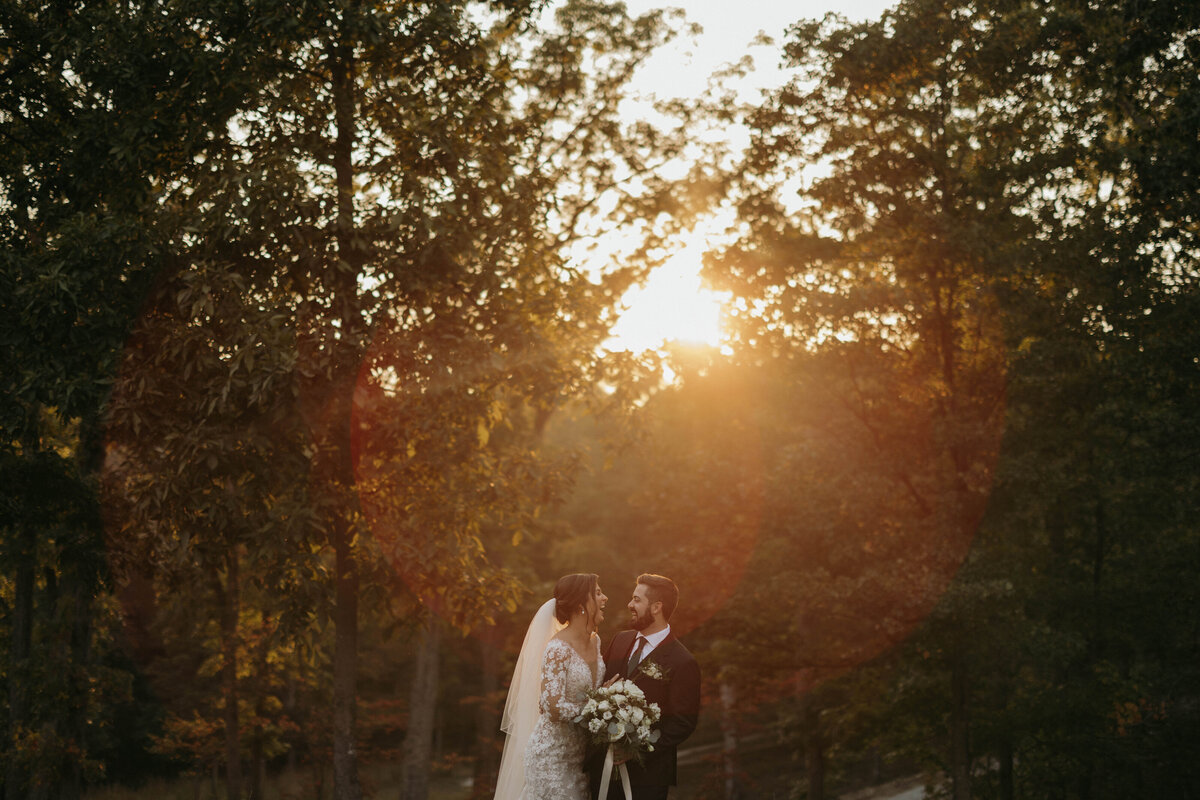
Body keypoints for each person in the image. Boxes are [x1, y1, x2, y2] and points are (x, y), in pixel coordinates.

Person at [494, 574, 609, 800]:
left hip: (580, 757)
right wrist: (598, 708)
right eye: (597, 593)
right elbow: (552, 707)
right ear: (580, 605)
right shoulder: (557, 648)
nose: (605, 598)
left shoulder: (595, 641)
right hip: (551, 758)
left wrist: (607, 696)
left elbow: (588, 693)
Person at [587, 573, 701, 800]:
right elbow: (599, 690)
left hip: (647, 777)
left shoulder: (682, 661)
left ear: (656, 607)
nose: (630, 604)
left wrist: (636, 747)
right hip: (602, 769)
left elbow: (683, 722)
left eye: (637, 600)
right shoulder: (620, 640)